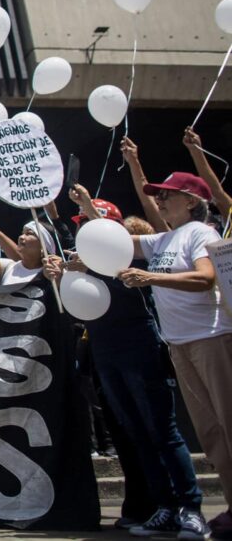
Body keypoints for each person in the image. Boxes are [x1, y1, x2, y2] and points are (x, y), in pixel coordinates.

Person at [47, 185, 204, 535]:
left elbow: (128, 286)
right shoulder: (85, 260)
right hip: (105, 349)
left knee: (162, 431)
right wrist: (68, 275)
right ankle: (162, 505)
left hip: (138, 344)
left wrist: (89, 209)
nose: (84, 228)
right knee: (135, 432)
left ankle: (189, 506)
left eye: (89, 221)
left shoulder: (131, 254)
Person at [117, 172, 232, 539]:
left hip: (212, 339)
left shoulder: (202, 234)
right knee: (211, 433)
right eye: (159, 195)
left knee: (230, 426)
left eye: (168, 195)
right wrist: (86, 219)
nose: (161, 200)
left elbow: (204, 278)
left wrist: (152, 280)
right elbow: (123, 243)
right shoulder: (165, 238)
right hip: (179, 344)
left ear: (192, 202)